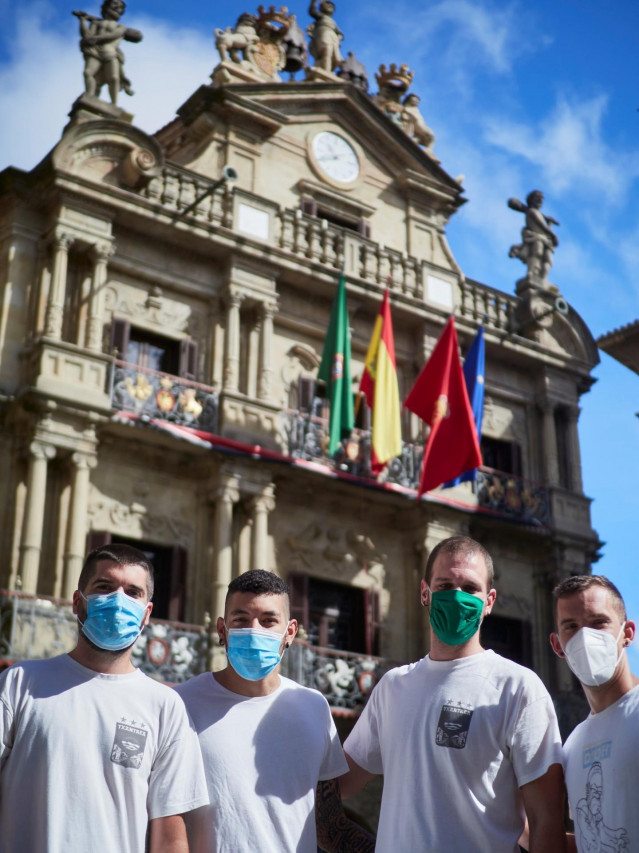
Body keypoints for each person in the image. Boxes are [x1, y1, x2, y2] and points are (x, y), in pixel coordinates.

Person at [340, 535, 566, 852]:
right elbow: (341, 782)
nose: (457, 597)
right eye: (445, 586)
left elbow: (546, 821)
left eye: (471, 588)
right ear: (425, 593)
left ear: (489, 601)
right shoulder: (392, 687)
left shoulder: (517, 687)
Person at [0, 543, 208, 853]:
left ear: (147, 613)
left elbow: (170, 833)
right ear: (77, 601)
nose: (118, 600)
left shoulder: (166, 707)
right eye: (104, 587)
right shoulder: (18, 683)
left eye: (133, 592)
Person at [175, 569, 374, 852]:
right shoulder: (179, 704)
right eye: (241, 620)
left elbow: (328, 826)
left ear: (290, 631)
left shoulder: (313, 707)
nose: (255, 630)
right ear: (222, 630)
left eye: (268, 621)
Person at [550, 575, 637, 853]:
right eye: (571, 627)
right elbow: (591, 841)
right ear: (557, 645)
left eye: (599, 623)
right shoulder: (572, 745)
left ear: (627, 633)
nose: (585, 637)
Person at [74, 0, 142, 105]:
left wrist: (94, 39)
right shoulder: (96, 23)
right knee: (88, 73)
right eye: (114, 4)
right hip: (95, 51)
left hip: (110, 53)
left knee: (114, 78)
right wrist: (83, 20)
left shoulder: (121, 27)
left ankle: (114, 104)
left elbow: (112, 36)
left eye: (119, 7)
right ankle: (90, 96)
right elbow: (87, 35)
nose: (116, 8)